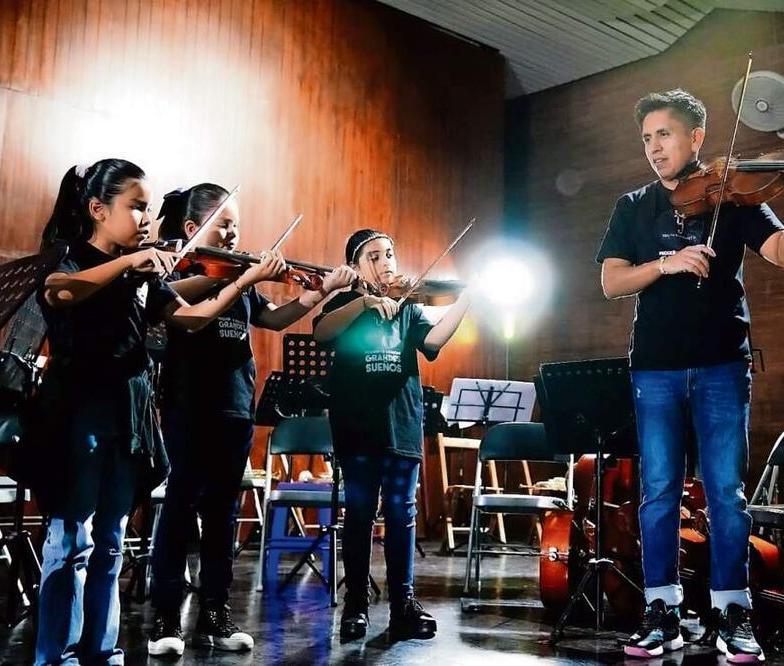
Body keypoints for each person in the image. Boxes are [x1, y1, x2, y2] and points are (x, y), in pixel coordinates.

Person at [596, 89, 784, 663]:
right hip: (655, 368)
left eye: (665, 134)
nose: (654, 147)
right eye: (647, 138)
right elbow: (612, 281)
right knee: (658, 493)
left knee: (726, 493)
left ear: (696, 137)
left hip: (724, 363)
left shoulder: (735, 194)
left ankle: (732, 611)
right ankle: (662, 611)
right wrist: (667, 263)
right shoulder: (634, 205)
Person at [24, 159, 280, 666]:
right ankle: (58, 657)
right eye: (137, 207)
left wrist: (241, 282)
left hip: (129, 414)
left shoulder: (143, 272)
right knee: (71, 541)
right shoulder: (71, 257)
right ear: (98, 210)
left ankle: (102, 652)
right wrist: (130, 265)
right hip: (78, 413)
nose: (148, 218)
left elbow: (190, 319)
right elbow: (59, 290)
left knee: (110, 543)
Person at [146, 183, 354, 656]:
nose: (233, 234)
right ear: (193, 228)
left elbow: (274, 319)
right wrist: (239, 278)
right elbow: (188, 317)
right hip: (187, 408)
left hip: (235, 409)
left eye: (236, 225)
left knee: (223, 517)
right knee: (178, 513)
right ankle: (165, 617)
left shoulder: (241, 278)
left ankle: (215, 613)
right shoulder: (177, 277)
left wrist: (319, 293)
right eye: (223, 225)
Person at [313, 229, 471, 642]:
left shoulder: (409, 308)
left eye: (389, 254)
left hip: (401, 421)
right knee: (360, 512)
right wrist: (364, 302)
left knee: (402, 512)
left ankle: (404, 604)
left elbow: (433, 340)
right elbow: (322, 332)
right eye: (374, 256)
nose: (386, 263)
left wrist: (466, 300)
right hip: (357, 425)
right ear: (354, 266)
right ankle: (356, 605)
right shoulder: (345, 305)